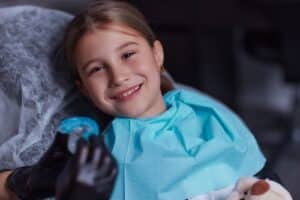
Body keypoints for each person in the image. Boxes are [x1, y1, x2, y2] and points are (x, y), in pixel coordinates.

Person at [0, 0, 282, 200]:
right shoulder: (97, 163)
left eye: (127, 54)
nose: (119, 76)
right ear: (84, 89)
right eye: (97, 69)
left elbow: (266, 181)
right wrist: (28, 182)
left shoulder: (210, 115)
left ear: (157, 54)